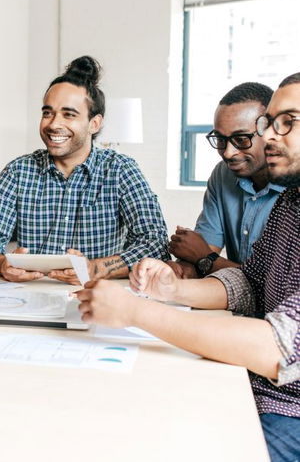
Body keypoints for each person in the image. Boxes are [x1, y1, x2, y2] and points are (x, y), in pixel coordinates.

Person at [76, 73, 300, 462]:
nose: (272, 135)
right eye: (270, 122)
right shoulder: (291, 206)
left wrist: (135, 310)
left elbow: (280, 348)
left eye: (288, 121)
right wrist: (172, 290)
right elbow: (250, 282)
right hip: (253, 384)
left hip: (288, 409)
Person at [0, 56, 168, 284]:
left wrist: (96, 269)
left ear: (94, 123)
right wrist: (1, 264)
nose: (53, 124)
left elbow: (155, 242)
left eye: (69, 114)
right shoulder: (18, 171)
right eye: (47, 113)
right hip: (27, 296)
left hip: (95, 298)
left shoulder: (120, 170)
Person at [169, 82, 283, 278]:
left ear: (271, 131)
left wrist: (206, 258)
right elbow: (197, 254)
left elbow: (276, 286)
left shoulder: (293, 188)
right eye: (220, 139)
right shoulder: (223, 175)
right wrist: (177, 271)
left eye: (241, 139)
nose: (228, 153)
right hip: (229, 301)